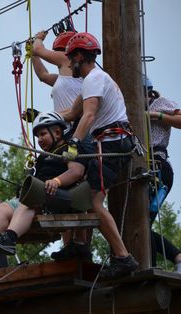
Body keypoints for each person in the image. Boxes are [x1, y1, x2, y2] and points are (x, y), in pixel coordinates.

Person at [0, 112, 88, 273]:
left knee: (29, 201)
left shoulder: (69, 149)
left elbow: (76, 172)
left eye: (42, 134)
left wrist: (57, 181)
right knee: (2, 209)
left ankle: (10, 237)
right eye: (37, 136)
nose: (39, 139)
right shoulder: (43, 157)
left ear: (57, 132)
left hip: (59, 197)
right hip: (38, 196)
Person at [62, 32, 138, 279]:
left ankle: (122, 257)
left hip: (111, 144)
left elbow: (89, 115)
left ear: (80, 56)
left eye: (71, 58)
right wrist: (42, 118)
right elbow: (73, 113)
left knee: (94, 201)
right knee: (85, 193)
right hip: (110, 144)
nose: (69, 64)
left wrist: (73, 142)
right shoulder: (93, 80)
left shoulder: (94, 78)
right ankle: (81, 245)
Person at [30, 30, 93, 259]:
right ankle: (71, 245)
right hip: (65, 131)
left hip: (74, 132)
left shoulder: (67, 60)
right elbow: (42, 75)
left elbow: (39, 49)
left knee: (73, 182)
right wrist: (32, 54)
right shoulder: (65, 78)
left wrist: (37, 39)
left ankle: (79, 243)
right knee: (64, 186)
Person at [143, 77, 181, 272]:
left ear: (147, 91)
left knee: (142, 222)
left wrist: (155, 115)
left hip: (159, 169)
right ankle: (177, 256)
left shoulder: (159, 103)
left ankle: (151, 267)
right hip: (141, 168)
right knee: (140, 224)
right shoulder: (128, 109)